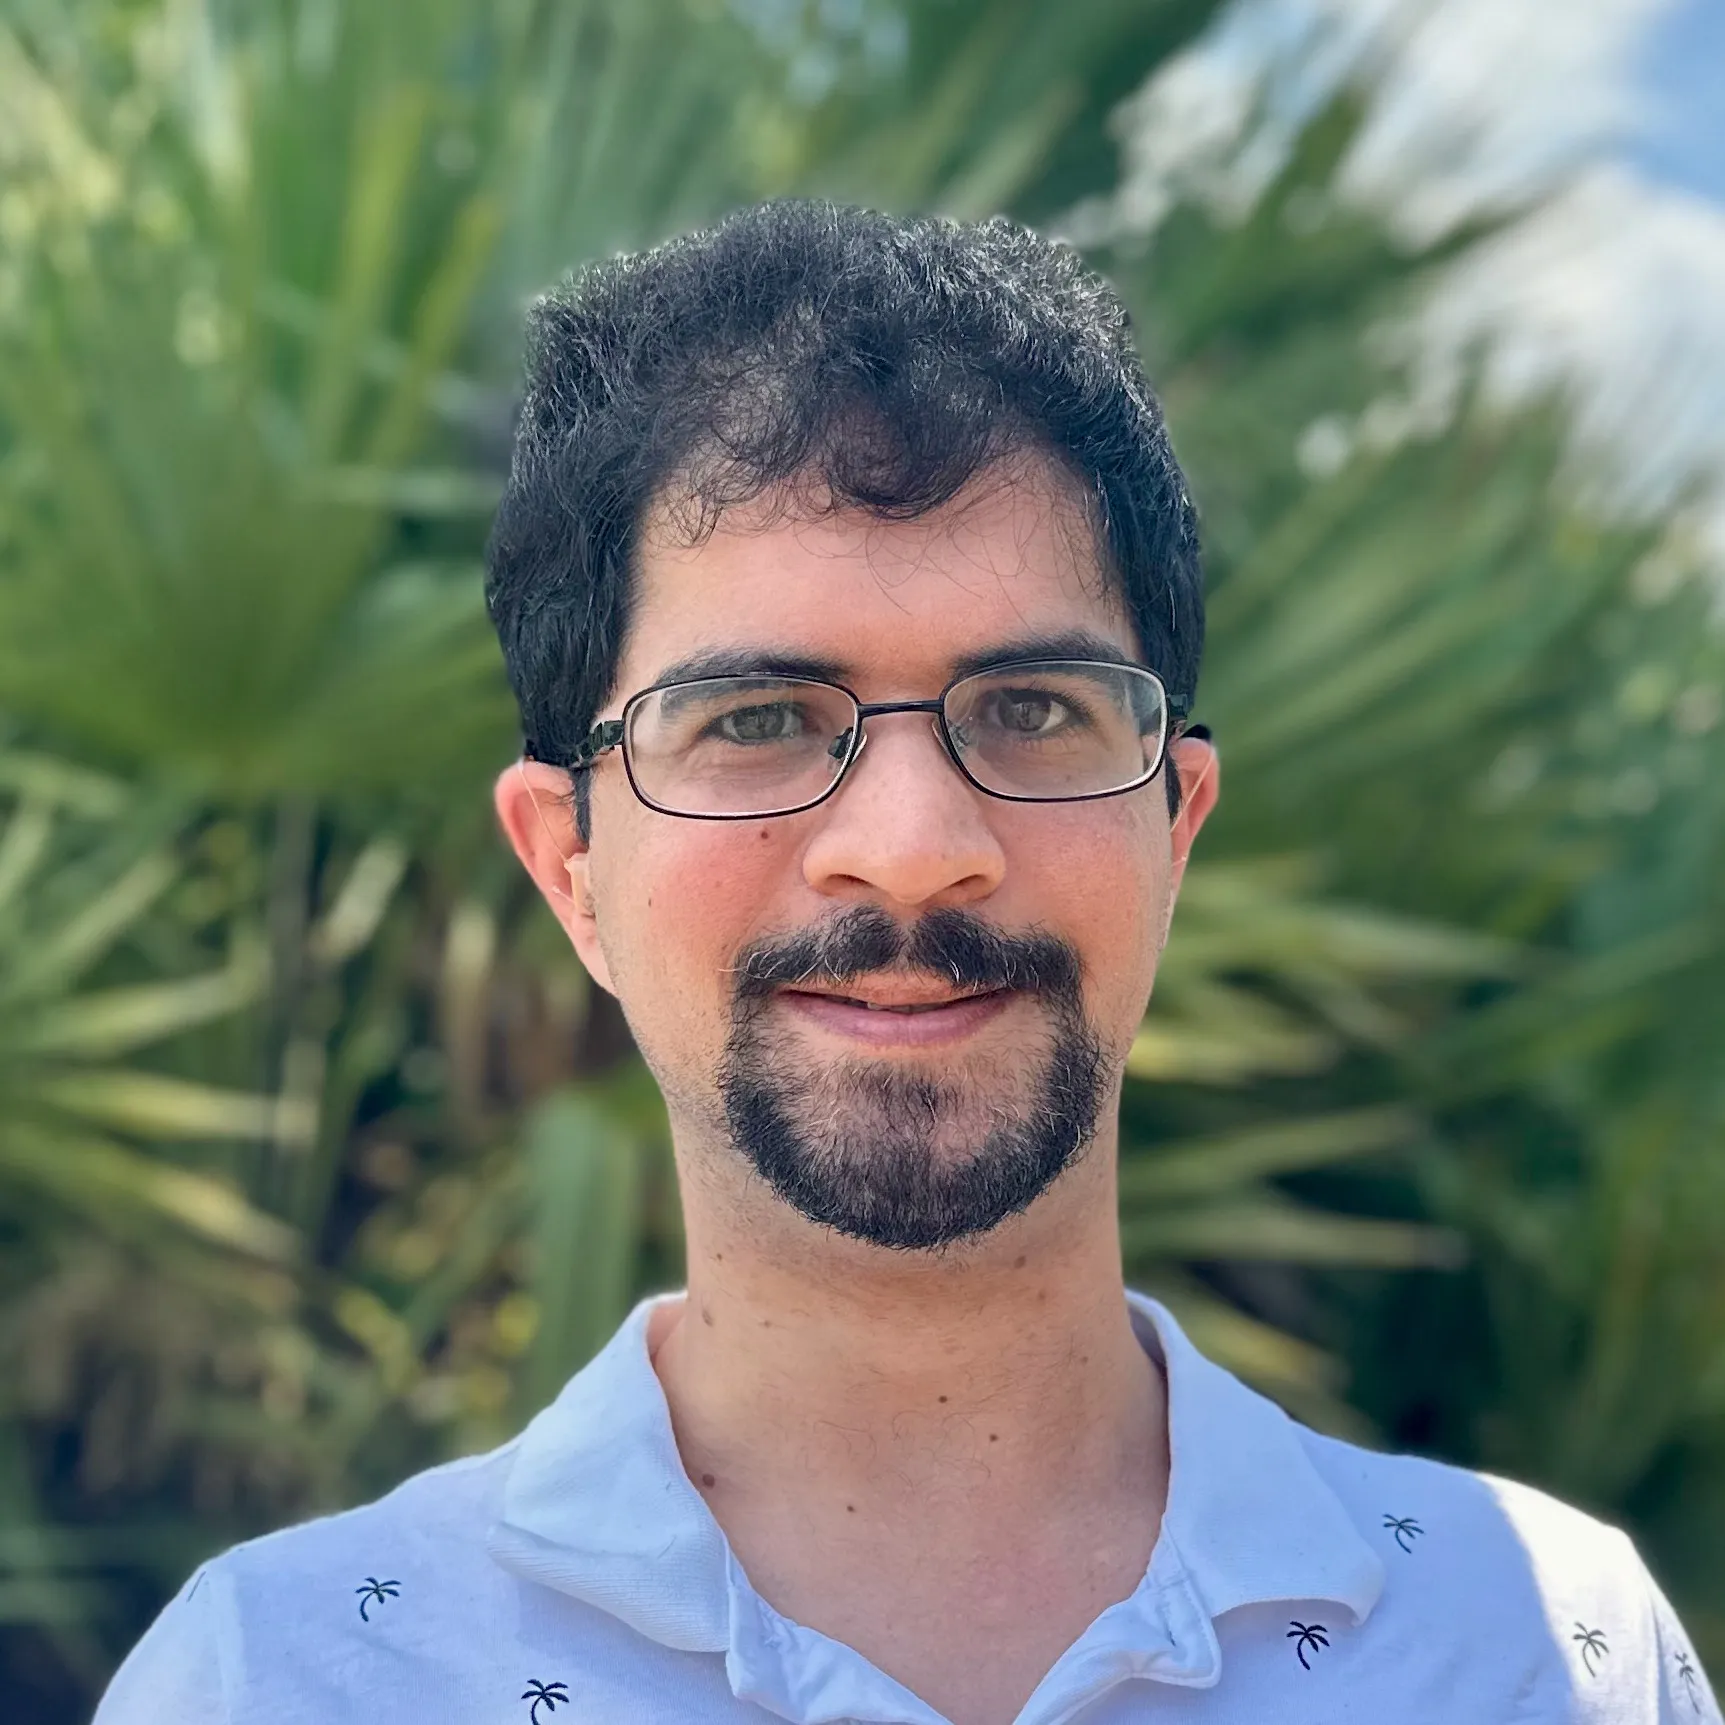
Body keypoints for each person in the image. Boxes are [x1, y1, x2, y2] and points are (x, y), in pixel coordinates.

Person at [96, 201, 1716, 1725]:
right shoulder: (287, 1680)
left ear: (1177, 828)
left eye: (1032, 711)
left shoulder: (1550, 1654)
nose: (915, 842)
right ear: (569, 867)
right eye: (755, 722)